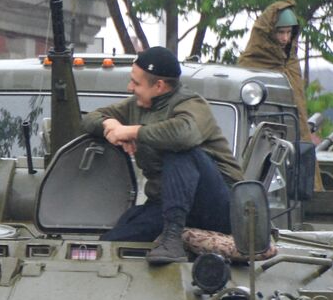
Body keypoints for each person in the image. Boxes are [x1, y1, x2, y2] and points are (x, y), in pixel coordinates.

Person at [82, 47, 243, 265]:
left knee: (179, 149)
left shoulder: (192, 105)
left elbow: (183, 135)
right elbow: (89, 118)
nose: (130, 88)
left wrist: (132, 131)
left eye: (136, 83)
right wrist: (109, 123)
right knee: (112, 243)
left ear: (159, 86)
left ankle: (172, 240)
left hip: (219, 205)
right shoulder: (136, 106)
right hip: (169, 205)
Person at [238, 0, 320, 189]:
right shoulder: (250, 64)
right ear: (268, 33)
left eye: (288, 33)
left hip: (296, 142)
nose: (285, 38)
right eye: (280, 32)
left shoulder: (291, 63)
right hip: (262, 142)